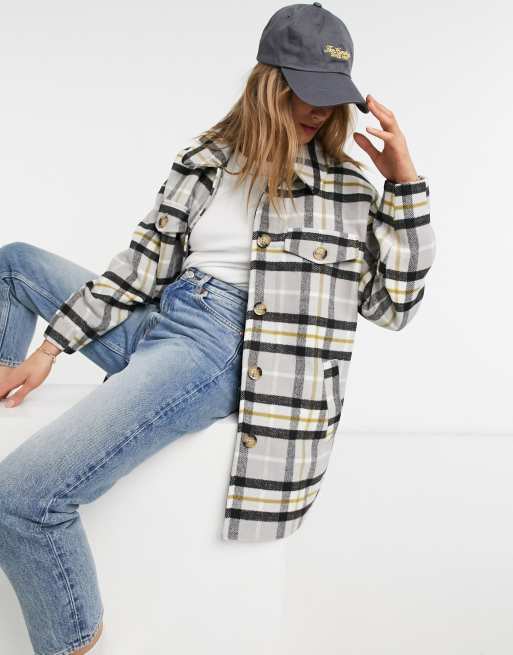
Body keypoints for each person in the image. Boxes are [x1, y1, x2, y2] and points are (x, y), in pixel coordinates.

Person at [0, 3, 435, 654]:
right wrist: (52, 346)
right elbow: (143, 263)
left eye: (331, 96)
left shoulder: (347, 188)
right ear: (269, 83)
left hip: (222, 349)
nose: (319, 110)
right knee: (15, 264)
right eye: (304, 91)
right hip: (170, 314)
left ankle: (73, 641)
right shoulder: (208, 158)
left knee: (21, 498)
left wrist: (404, 183)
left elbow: (393, 305)